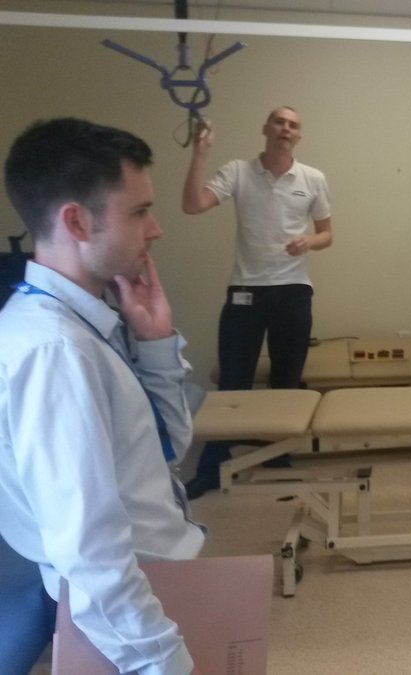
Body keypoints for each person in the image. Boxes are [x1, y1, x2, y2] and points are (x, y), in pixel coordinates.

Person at [0, 118, 205, 673]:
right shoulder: (54, 350)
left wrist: (155, 343)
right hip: (126, 623)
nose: (156, 230)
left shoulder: (83, 324)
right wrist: (164, 664)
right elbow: (88, 552)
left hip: (154, 587)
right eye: (139, 212)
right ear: (76, 221)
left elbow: (163, 448)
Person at [182, 106, 333, 499]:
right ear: (265, 128)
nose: (286, 129)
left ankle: (278, 459)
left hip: (293, 290)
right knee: (233, 382)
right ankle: (212, 466)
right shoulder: (238, 171)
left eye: (293, 125)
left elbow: (327, 234)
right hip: (245, 291)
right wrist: (200, 153)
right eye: (279, 122)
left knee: (286, 381)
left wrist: (309, 241)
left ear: (299, 135)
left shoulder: (313, 178)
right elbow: (193, 205)